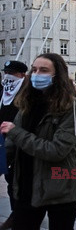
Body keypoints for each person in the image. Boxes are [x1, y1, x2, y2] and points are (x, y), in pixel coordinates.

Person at [1, 53, 76, 229]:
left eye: (44, 70)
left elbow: (56, 150)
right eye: (34, 69)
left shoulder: (71, 107)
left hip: (60, 188)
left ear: (57, 75)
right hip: (26, 185)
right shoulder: (26, 101)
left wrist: (16, 133)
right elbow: (11, 146)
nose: (37, 74)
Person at [0, 60, 28, 230]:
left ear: (22, 75)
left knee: (18, 180)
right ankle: (16, 213)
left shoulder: (26, 93)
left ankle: (17, 215)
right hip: (3, 142)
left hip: (19, 141)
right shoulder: (5, 90)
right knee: (10, 178)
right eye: (6, 72)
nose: (8, 76)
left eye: (12, 73)